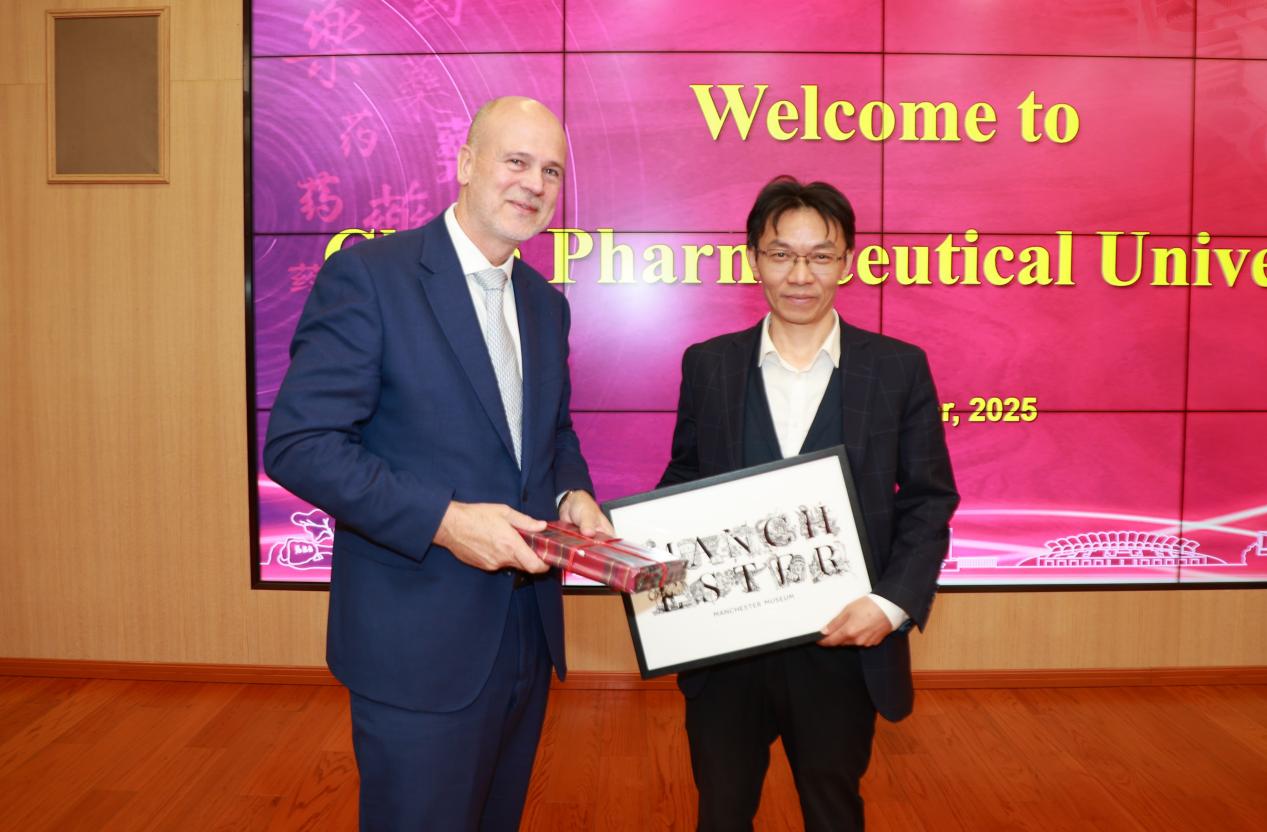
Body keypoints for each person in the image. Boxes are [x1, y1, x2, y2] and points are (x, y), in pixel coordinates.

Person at [264, 96, 611, 831]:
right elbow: (301, 443)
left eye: (551, 171)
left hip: (524, 636)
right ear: (466, 163)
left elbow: (551, 433)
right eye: (516, 161)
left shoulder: (545, 304)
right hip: (414, 644)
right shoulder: (370, 277)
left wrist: (573, 491)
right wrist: (446, 522)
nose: (534, 184)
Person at [658, 176, 959, 831]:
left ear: (847, 261)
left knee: (832, 811)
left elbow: (929, 500)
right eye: (781, 254)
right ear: (753, 260)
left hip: (843, 647)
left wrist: (890, 604)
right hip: (726, 649)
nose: (800, 275)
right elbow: (683, 479)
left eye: (820, 255)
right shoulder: (707, 365)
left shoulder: (899, 368)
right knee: (720, 812)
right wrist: (646, 552)